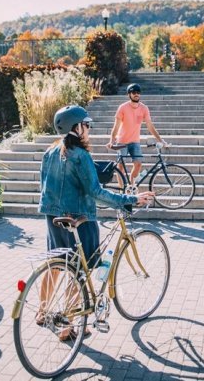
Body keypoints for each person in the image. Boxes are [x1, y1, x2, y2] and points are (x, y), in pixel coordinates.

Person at [39, 105, 154, 340]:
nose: (89, 129)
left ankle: (42, 312)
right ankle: (67, 327)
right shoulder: (81, 155)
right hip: (80, 219)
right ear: (77, 127)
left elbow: (45, 185)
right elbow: (95, 191)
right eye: (86, 125)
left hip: (53, 217)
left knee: (57, 264)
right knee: (80, 271)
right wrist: (129, 199)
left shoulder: (50, 152)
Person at [106, 83, 164, 189]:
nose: (136, 94)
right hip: (122, 141)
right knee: (120, 167)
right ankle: (122, 191)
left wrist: (160, 140)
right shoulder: (123, 107)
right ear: (129, 94)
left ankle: (131, 187)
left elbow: (150, 126)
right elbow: (116, 126)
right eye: (133, 92)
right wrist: (112, 140)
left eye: (138, 92)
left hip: (135, 141)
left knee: (138, 164)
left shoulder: (144, 108)